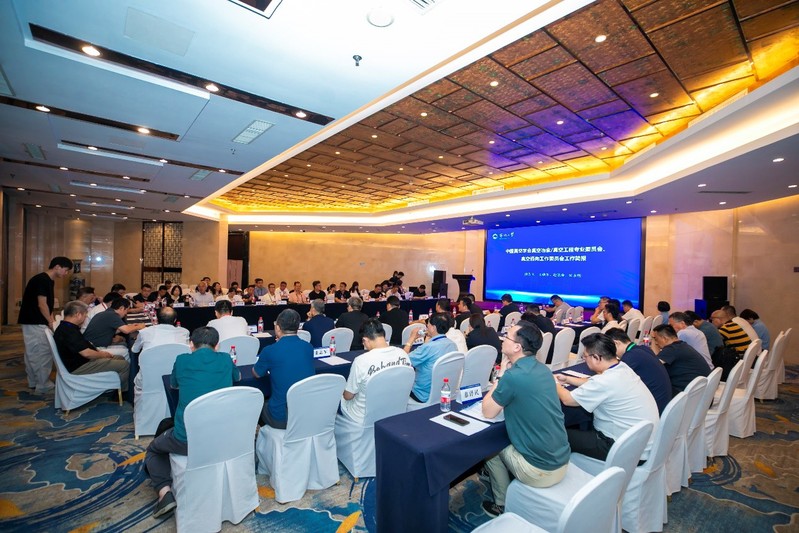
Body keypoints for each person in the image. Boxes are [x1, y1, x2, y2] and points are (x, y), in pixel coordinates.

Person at [144, 327, 240, 519]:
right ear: (217, 346)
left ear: (191, 345)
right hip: (223, 437)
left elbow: (173, 384)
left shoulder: (182, 360)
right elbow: (237, 377)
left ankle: (164, 493)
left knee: (153, 450)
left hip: (187, 439)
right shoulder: (225, 358)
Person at [481, 322, 570, 516]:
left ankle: (502, 504)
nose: (502, 338)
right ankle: (497, 476)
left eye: (507, 336)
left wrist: (501, 375)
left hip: (540, 470)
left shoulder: (513, 376)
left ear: (517, 347)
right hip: (561, 457)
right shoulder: (543, 369)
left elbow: (487, 411)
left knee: (490, 446)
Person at [555, 333, 659, 461]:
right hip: (640, 443)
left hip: (620, 448)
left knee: (557, 434)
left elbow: (568, 399)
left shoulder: (605, 381)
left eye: (585, 356)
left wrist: (554, 382)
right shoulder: (622, 367)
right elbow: (594, 383)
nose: (584, 360)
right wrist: (567, 379)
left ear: (596, 358)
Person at [340, 319, 412, 424]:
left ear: (365, 340)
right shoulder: (403, 354)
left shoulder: (361, 361)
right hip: (395, 410)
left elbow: (348, 396)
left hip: (364, 416)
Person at [19, 256, 73, 393]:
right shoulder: (42, 280)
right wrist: (50, 321)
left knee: (33, 352)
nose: (66, 273)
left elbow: (47, 304)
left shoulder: (48, 280)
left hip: (35, 320)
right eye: (66, 270)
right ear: (57, 267)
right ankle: (42, 384)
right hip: (35, 320)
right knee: (41, 353)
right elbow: (42, 304)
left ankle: (34, 381)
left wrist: (51, 320)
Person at [252, 309, 314, 428]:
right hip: (305, 412)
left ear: (278, 328)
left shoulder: (270, 350)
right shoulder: (308, 347)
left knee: (259, 404)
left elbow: (256, 373)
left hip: (281, 416)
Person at [54, 300, 130, 390]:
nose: (85, 318)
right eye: (85, 315)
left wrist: (100, 353)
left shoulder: (66, 326)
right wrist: (102, 355)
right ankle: (118, 392)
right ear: (78, 314)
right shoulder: (69, 331)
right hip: (81, 365)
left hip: (82, 361)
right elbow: (86, 353)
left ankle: (114, 387)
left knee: (120, 358)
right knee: (124, 364)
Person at [604, 328, 672, 414]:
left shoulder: (631, 356)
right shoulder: (643, 348)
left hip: (653, 409)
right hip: (662, 403)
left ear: (616, 343)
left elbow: (611, 380)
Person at [403, 313, 457, 402]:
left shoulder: (428, 347)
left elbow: (404, 361)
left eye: (427, 325)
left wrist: (411, 338)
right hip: (443, 391)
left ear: (433, 327)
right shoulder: (453, 345)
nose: (426, 327)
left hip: (422, 394)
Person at [651, 324, 711, 396]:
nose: (656, 343)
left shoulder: (672, 349)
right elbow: (656, 358)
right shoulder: (681, 345)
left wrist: (652, 340)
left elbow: (653, 365)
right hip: (700, 393)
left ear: (664, 338)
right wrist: (654, 338)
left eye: (656, 339)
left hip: (687, 394)